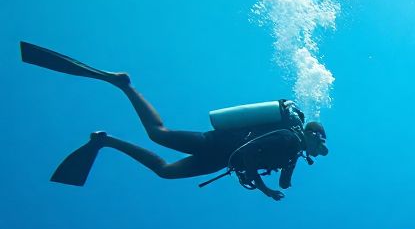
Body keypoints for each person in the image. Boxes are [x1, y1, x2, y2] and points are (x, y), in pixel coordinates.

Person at [20, 42, 328, 200]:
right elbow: (248, 153)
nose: (320, 149)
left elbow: (284, 176)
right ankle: (124, 84)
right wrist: (265, 190)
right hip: (216, 146)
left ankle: (106, 141)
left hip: (220, 160)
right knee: (158, 134)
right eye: (320, 142)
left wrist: (285, 181)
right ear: (310, 133)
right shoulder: (288, 139)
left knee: (165, 172)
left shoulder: (293, 150)